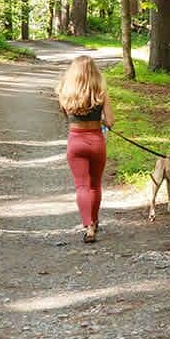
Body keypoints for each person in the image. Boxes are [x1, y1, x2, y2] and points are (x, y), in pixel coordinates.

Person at [55, 55, 112, 242]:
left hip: (76, 141)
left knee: (82, 186)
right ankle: (94, 222)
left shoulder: (65, 92)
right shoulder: (101, 92)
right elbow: (110, 122)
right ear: (95, 73)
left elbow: (65, 114)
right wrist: (101, 119)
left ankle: (87, 226)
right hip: (96, 140)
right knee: (95, 185)